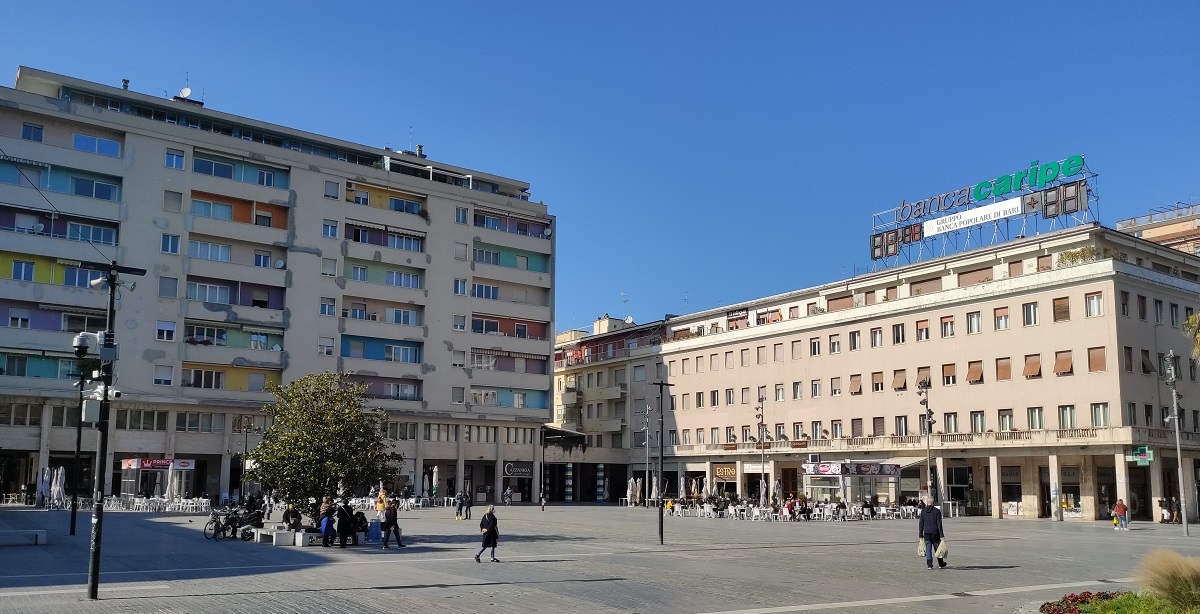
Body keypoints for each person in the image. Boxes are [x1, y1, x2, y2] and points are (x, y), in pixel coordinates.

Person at [918, 496, 946, 569]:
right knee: (937, 548)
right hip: (935, 533)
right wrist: (941, 535)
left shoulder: (923, 511)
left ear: (927, 502)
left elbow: (921, 523)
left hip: (926, 532)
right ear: (933, 502)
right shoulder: (937, 511)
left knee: (928, 548)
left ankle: (929, 565)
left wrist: (920, 534)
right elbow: (939, 524)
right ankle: (941, 563)